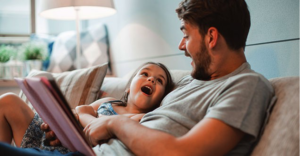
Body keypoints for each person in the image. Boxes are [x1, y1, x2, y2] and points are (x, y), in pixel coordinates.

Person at [0, 0, 275, 155]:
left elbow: (180, 153)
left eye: (186, 35)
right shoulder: (194, 81)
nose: (181, 46)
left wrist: (113, 125)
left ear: (211, 37)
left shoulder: (247, 86)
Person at [0, 62, 174, 154]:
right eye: (145, 74)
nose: (151, 80)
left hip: (73, 153)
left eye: (159, 81)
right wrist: (56, 127)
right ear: (128, 87)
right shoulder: (110, 102)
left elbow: (90, 119)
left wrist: (84, 114)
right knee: (8, 100)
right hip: (57, 141)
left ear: (161, 98)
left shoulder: (145, 119)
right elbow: (78, 112)